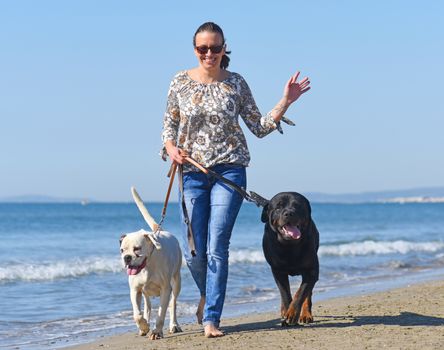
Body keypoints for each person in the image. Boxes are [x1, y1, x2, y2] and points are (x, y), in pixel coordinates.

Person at [160, 22, 310, 338]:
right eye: (203, 48)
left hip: (229, 172)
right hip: (191, 172)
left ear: (224, 48)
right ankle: (207, 294)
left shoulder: (236, 83)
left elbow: (258, 125)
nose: (210, 54)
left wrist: (286, 101)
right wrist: (172, 150)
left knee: (217, 246)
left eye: (216, 48)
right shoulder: (179, 82)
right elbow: (169, 128)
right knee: (194, 251)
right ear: (195, 50)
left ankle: (211, 318)